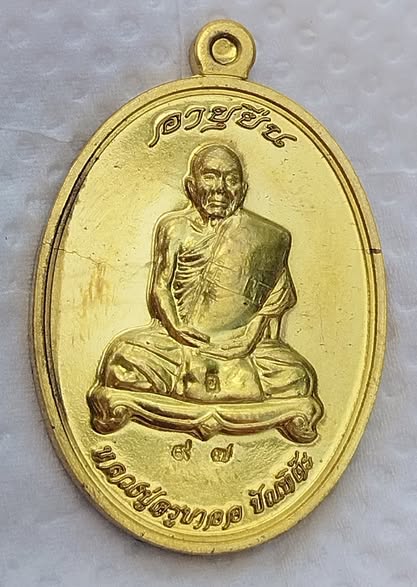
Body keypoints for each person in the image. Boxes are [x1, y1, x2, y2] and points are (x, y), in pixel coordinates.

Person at [88, 144, 323, 442]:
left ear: (243, 189)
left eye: (231, 179)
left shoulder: (268, 237)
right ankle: (230, 394)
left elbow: (276, 299)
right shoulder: (174, 228)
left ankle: (188, 392)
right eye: (210, 176)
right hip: (176, 343)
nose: (220, 188)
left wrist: (249, 338)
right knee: (123, 359)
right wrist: (176, 327)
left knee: (297, 375)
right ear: (191, 186)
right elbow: (160, 286)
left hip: (243, 346)